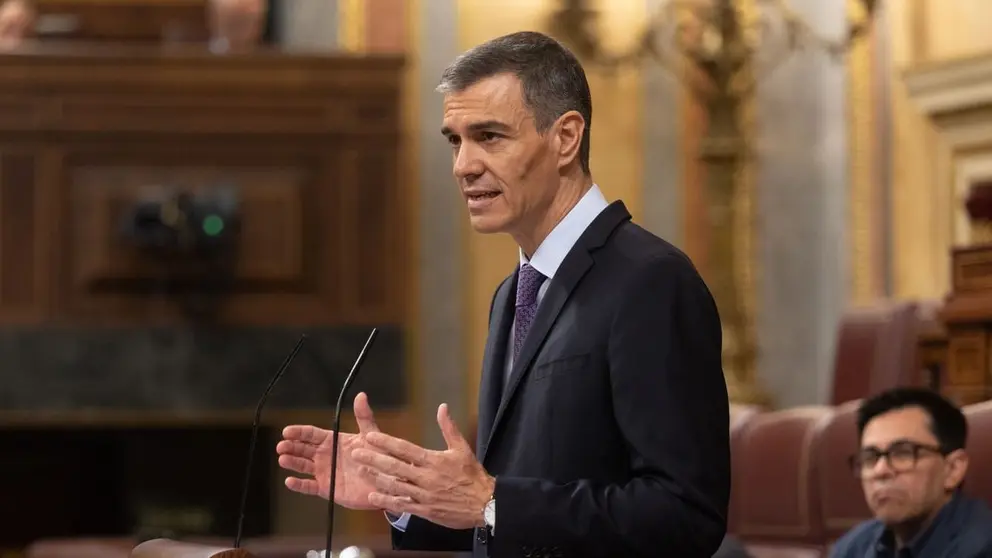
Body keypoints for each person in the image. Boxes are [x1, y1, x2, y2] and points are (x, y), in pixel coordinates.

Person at [276, 30, 730, 558]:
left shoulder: (651, 281)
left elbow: (685, 516)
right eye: (455, 139)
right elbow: (507, 517)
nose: (463, 166)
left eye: (489, 137)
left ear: (566, 137)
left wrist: (491, 500)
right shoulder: (511, 294)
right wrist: (404, 495)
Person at [830, 387, 992, 557]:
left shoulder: (980, 547)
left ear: (953, 469)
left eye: (903, 453)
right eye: (870, 457)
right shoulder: (855, 545)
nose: (880, 470)